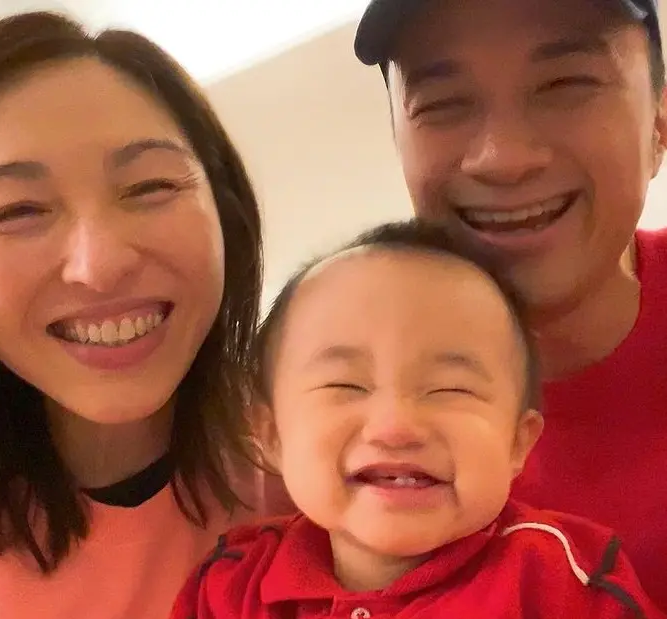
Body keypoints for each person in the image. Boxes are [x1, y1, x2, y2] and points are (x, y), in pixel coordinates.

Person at [0, 11, 266, 619]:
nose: (100, 265)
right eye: (17, 211)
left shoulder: (359, 476)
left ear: (226, 217)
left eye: (149, 187)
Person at [172, 219, 664, 619]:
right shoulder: (230, 587)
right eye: (346, 385)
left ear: (518, 443)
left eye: (450, 389)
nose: (395, 427)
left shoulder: (558, 581)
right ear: (271, 433)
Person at [352, 0, 667, 608]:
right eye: (443, 103)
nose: (503, 158)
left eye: (565, 84)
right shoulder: (347, 421)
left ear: (658, 122)